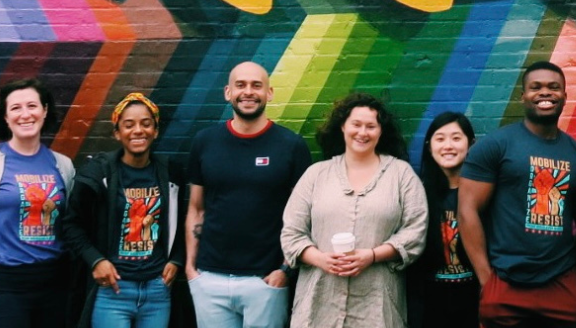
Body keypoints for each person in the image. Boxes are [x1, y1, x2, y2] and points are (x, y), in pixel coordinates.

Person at [457, 61, 576, 327]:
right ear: (523, 96)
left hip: (561, 283)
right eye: (536, 87)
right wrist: (487, 279)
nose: (545, 93)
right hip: (506, 282)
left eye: (554, 87)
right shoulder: (496, 146)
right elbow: (467, 210)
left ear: (565, 96)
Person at [280, 93, 428, 327]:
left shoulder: (401, 174)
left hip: (376, 304)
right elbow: (291, 233)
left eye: (371, 126)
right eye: (356, 124)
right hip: (319, 303)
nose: (362, 132)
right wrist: (320, 259)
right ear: (342, 126)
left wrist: (372, 255)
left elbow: (415, 231)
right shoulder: (316, 174)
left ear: (381, 131)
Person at [185, 61, 311, 328]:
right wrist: (191, 269)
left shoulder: (291, 146)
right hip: (209, 278)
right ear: (227, 92)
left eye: (257, 85)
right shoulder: (204, 142)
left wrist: (284, 271)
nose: (248, 92)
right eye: (240, 85)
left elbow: (304, 216)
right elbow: (196, 208)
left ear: (270, 92)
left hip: (265, 280)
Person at [0, 79, 77, 328]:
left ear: (44, 111)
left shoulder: (63, 165)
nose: (25, 114)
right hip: (4, 283)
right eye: (15, 108)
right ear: (6, 118)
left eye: (32, 105)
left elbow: (73, 225)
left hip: (55, 282)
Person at [61, 93, 187, 328]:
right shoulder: (97, 175)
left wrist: (178, 259)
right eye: (129, 125)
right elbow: (71, 224)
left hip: (157, 290)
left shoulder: (171, 174)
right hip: (113, 291)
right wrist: (96, 261)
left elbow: (184, 223)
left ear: (156, 131)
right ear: (117, 133)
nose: (138, 130)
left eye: (146, 124)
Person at [405, 112, 481, 328]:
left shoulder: (483, 194)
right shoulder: (416, 194)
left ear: (471, 144)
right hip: (430, 305)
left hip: (474, 302)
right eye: (440, 139)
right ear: (429, 147)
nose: (448, 145)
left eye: (456, 138)